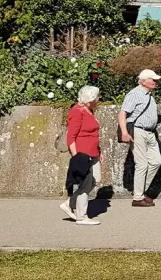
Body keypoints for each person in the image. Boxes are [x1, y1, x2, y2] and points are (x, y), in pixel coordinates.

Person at [117, 69, 161, 208]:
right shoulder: (135, 94)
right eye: (153, 80)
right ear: (144, 81)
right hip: (138, 131)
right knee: (142, 164)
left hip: (149, 132)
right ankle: (138, 197)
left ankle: (140, 192)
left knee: (156, 161)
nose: (156, 82)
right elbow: (122, 113)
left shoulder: (148, 95)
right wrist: (125, 132)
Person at [60, 85, 104, 225]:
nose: (98, 99)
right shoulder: (77, 111)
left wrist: (99, 151)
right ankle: (81, 216)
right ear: (89, 98)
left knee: (95, 179)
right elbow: (71, 136)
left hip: (93, 152)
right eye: (96, 96)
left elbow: (93, 134)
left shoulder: (89, 110)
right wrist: (76, 156)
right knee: (85, 184)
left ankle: (70, 203)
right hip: (83, 154)